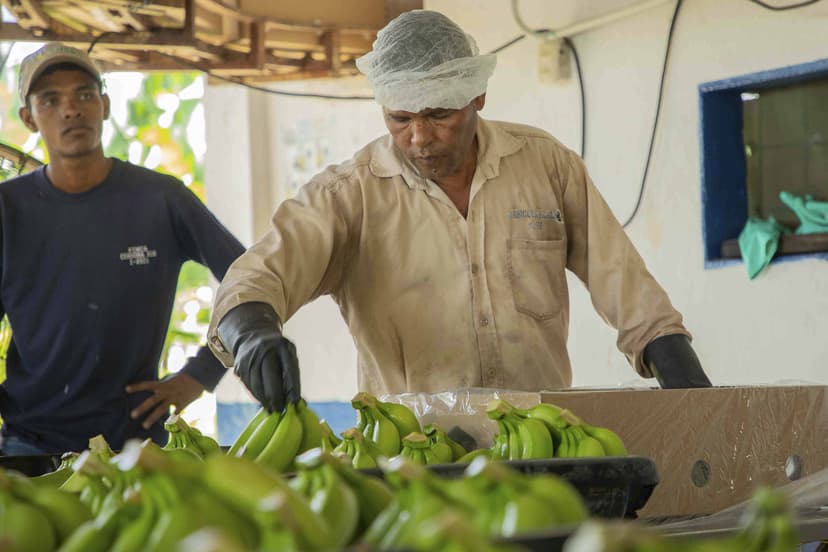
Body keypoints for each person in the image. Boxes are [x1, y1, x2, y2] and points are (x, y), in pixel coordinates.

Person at [206, 10, 712, 414]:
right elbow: (256, 277)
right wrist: (251, 332)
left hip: (542, 445)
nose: (420, 138)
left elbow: (624, 282)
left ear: (478, 96)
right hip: (414, 462)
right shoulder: (349, 195)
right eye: (400, 118)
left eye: (439, 115)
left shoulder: (545, 165)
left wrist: (685, 380)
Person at [0, 43, 245, 455]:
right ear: (28, 118)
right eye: (50, 100)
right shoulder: (8, 210)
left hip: (136, 446)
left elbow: (253, 282)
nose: (71, 109)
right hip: (29, 445)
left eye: (84, 94)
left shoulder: (160, 199)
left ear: (105, 105)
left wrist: (200, 374)